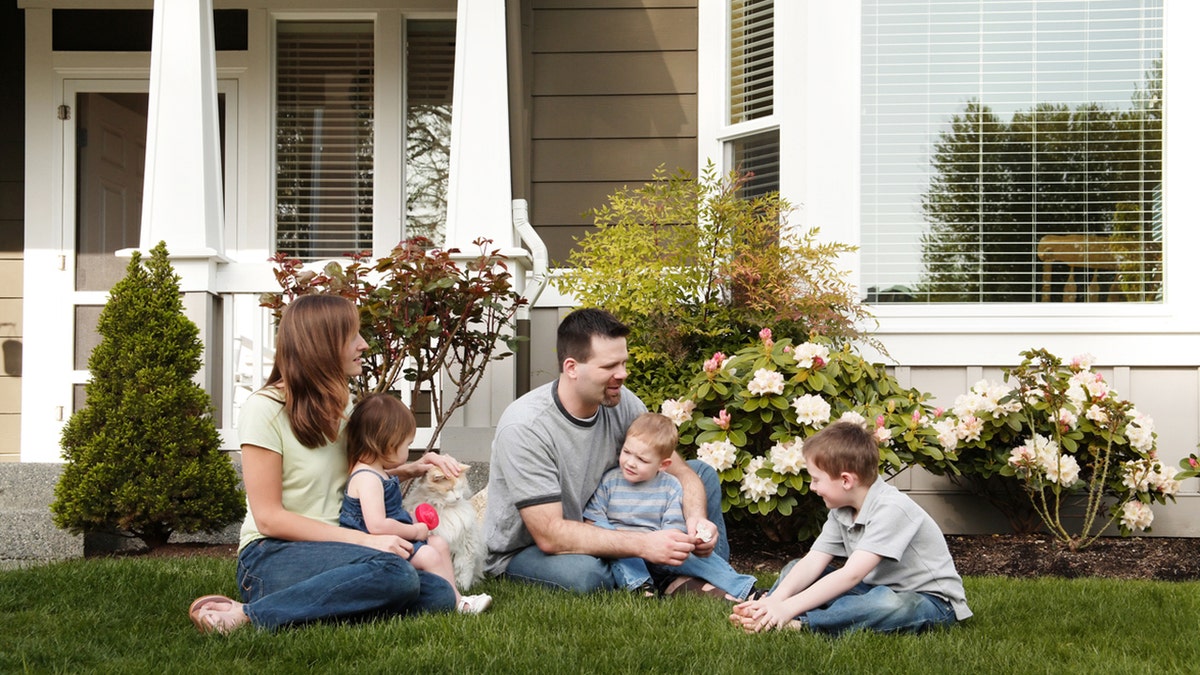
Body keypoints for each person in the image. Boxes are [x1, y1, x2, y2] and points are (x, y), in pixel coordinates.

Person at [188, 294, 461, 634]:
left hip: (340, 548)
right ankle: (249, 613)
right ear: (323, 344)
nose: (363, 345)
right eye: (353, 337)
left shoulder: (342, 404)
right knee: (398, 575)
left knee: (438, 595)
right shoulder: (264, 409)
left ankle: (309, 603)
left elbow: (354, 476)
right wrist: (366, 542)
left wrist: (413, 468)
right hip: (274, 553)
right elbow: (270, 519)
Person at [484, 307, 730, 593]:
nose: (622, 374)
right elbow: (550, 533)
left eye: (623, 363)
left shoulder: (623, 402)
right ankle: (669, 576)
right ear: (572, 367)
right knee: (588, 576)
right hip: (529, 549)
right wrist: (644, 544)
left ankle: (708, 576)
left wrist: (696, 518)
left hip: (605, 524)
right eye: (609, 367)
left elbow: (678, 470)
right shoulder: (526, 426)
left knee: (700, 474)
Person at [729, 420, 972, 635]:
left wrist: (788, 607)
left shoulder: (892, 508)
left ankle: (802, 622)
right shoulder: (841, 509)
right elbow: (814, 560)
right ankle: (766, 611)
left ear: (846, 480)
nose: (812, 487)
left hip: (929, 601)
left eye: (816, 479)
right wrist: (775, 601)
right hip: (871, 589)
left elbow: (851, 574)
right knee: (796, 569)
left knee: (887, 605)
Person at [339, 393, 492, 614]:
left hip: (389, 537)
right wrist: (415, 529)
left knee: (438, 543)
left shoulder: (377, 471)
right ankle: (458, 602)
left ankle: (454, 594)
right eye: (407, 444)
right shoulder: (368, 478)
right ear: (387, 443)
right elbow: (377, 526)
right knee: (429, 554)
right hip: (371, 548)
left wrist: (411, 519)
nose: (409, 450)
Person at [583, 413, 761, 600]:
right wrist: (627, 540)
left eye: (642, 460)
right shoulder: (610, 481)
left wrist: (682, 542)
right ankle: (641, 586)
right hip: (626, 550)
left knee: (695, 556)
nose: (630, 463)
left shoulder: (671, 486)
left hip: (660, 552)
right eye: (626, 452)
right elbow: (593, 521)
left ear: (663, 464)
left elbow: (673, 529)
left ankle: (744, 588)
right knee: (614, 545)